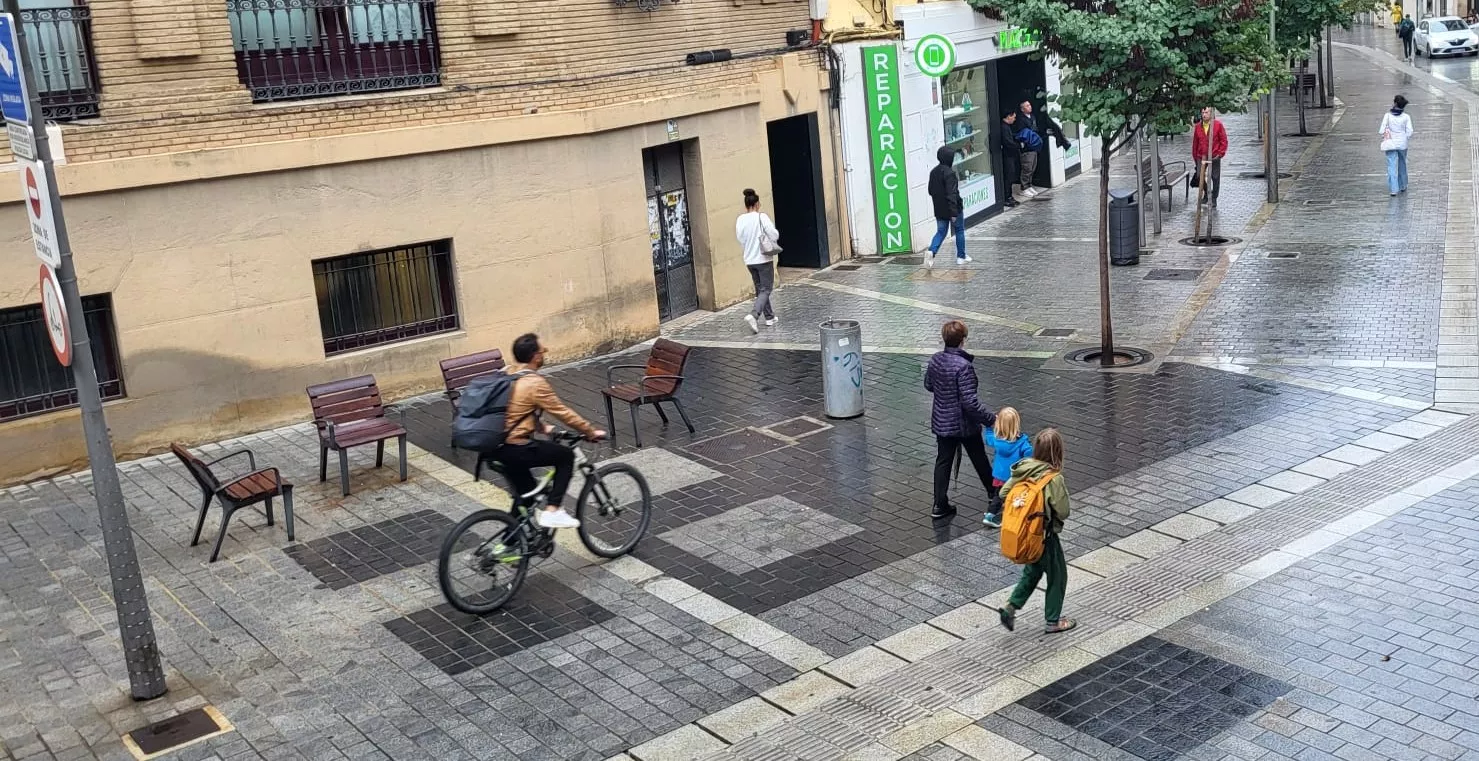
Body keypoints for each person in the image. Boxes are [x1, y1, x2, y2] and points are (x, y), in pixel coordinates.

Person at [498, 333, 606, 529]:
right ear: (535, 356)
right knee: (565, 457)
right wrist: (590, 431)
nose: (544, 354)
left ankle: (505, 546)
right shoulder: (534, 383)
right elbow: (563, 413)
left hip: (496, 448)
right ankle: (553, 510)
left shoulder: (508, 374)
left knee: (527, 495)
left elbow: (517, 410)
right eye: (542, 351)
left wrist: (542, 427)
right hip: (516, 447)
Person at [996, 428, 1075, 635]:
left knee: (1032, 572)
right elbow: (1063, 511)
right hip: (1045, 536)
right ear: (1058, 452)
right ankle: (1053, 620)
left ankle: (1010, 607)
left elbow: (1004, 492)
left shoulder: (1023, 469)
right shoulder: (1053, 479)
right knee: (1058, 575)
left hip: (1026, 534)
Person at [924, 320, 996, 520]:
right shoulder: (964, 366)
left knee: (943, 460)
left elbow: (929, 385)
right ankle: (993, 493)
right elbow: (970, 403)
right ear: (962, 340)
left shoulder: (935, 360)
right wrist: (991, 419)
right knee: (978, 456)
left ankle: (939, 504)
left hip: (942, 422)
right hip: (964, 424)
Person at [736, 188, 781, 334]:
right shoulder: (761, 217)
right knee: (766, 288)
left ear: (746, 205)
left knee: (760, 289)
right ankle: (754, 315)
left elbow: (740, 239)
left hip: (749, 260)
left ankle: (769, 317)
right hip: (763, 258)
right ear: (757, 204)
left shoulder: (740, 219)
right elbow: (774, 235)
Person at [983, 406, 1032, 527]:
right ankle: (992, 515)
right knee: (1010, 495)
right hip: (1013, 476)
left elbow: (988, 439)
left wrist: (988, 427)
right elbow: (1028, 454)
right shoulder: (1022, 442)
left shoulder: (996, 440)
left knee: (998, 494)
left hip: (999, 475)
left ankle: (991, 512)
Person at [1015, 99, 1070, 197]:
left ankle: (1029, 185)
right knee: (1027, 167)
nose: (1029, 107)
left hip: (1035, 145)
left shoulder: (1032, 116)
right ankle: (1024, 187)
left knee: (1032, 167)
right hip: (1027, 147)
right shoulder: (1020, 120)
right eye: (1027, 106)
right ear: (1022, 109)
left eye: (1029, 105)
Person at [926, 146, 970, 266]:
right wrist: (954, 213)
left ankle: (931, 251)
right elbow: (952, 194)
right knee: (959, 230)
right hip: (953, 209)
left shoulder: (933, 172)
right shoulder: (950, 173)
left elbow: (930, 190)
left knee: (941, 232)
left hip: (939, 209)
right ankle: (961, 256)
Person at [1191, 107, 1228, 208]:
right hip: (1201, 155)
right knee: (1199, 176)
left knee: (1215, 177)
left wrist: (1220, 154)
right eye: (1202, 112)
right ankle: (1207, 193)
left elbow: (1223, 140)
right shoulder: (1198, 127)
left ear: (1211, 113)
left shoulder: (1218, 125)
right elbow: (1195, 143)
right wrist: (1195, 157)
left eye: (1206, 112)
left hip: (1214, 155)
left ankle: (1214, 198)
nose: (1204, 115)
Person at [1380, 94, 1413, 196]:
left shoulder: (1387, 116)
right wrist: (1405, 137)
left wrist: (1386, 134)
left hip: (1390, 143)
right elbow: (1410, 131)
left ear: (1394, 103)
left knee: (1391, 165)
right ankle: (1403, 184)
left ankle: (1393, 189)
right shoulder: (1406, 117)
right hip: (1402, 143)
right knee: (1402, 163)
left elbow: (1381, 130)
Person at [998, 112, 1022, 208]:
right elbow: (1008, 142)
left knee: (1011, 175)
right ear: (1008, 116)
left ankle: (1009, 196)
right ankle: (1007, 197)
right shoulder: (1003, 127)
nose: (1014, 119)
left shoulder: (1006, 127)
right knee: (1008, 176)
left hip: (1010, 155)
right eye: (1014, 117)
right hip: (1007, 156)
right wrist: (1018, 145)